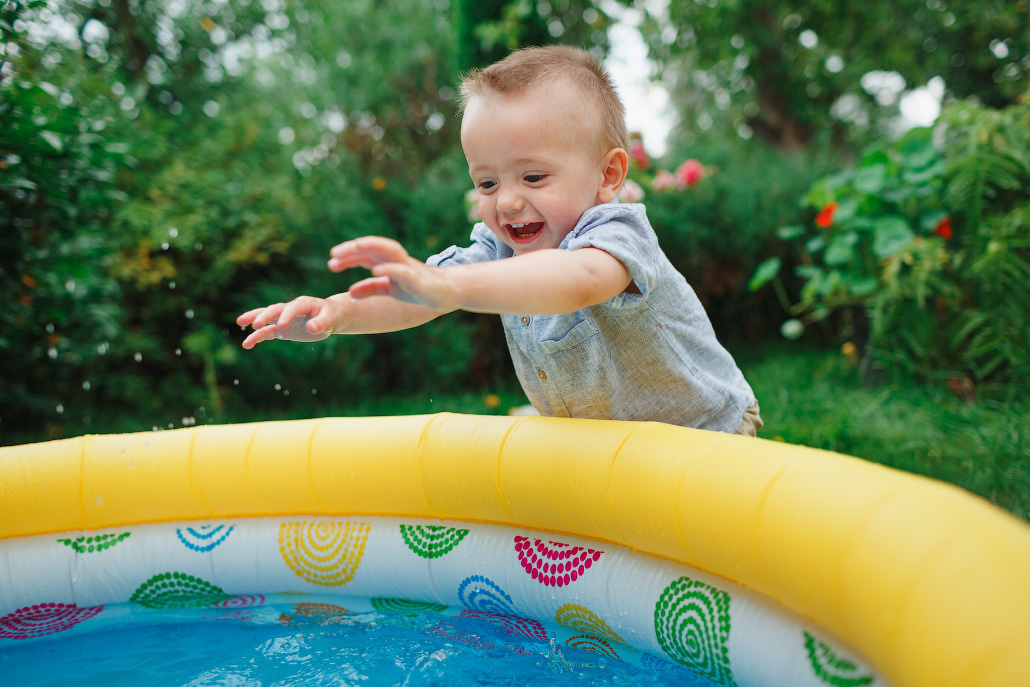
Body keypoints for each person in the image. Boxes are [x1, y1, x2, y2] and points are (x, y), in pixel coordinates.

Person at [237, 45, 762, 436]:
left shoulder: (616, 232)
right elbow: (422, 296)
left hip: (706, 434)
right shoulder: (497, 248)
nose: (506, 202)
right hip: (606, 444)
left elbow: (575, 281)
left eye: (533, 178)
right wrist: (337, 313)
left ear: (608, 176)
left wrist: (454, 287)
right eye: (487, 182)